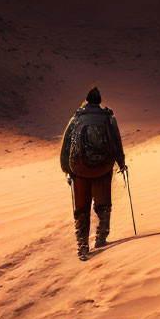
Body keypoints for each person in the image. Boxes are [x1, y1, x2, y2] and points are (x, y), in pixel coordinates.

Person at [58, 86, 126, 260]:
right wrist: (121, 163)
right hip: (103, 167)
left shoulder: (76, 118)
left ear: (87, 100)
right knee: (103, 203)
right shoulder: (108, 118)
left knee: (81, 207)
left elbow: (66, 144)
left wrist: (67, 169)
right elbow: (116, 142)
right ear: (99, 101)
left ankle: (82, 244)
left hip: (79, 169)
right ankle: (102, 237)